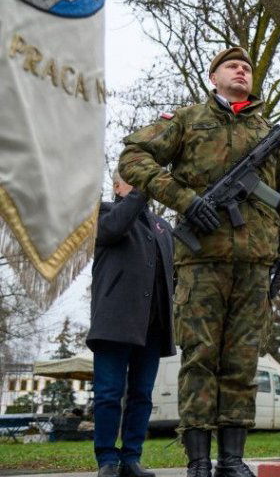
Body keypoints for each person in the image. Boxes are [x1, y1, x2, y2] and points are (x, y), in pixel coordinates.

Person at [119, 47, 280, 477]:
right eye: (232, 66)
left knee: (242, 362)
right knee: (200, 357)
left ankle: (232, 461)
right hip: (200, 261)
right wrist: (184, 199)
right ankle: (199, 460)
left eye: (247, 67)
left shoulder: (267, 134)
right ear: (213, 75)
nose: (241, 70)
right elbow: (133, 157)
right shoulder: (187, 121)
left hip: (256, 265)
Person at [87, 172, 176, 477]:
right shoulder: (103, 212)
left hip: (152, 327)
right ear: (117, 186)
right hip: (114, 322)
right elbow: (112, 230)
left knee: (141, 395)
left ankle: (131, 458)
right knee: (109, 393)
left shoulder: (163, 227)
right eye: (132, 180)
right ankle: (107, 460)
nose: (142, 185)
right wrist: (141, 191)